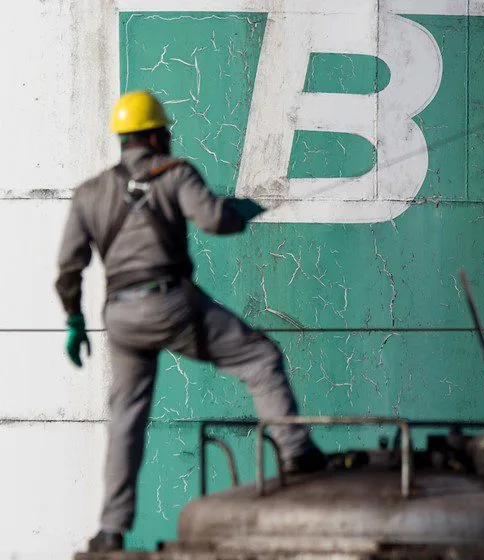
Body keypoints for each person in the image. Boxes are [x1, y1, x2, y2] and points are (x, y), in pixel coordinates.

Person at [55, 90, 326, 552]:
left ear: (124, 138)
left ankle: (109, 530)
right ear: (157, 135)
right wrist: (239, 211)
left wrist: (75, 320)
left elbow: (68, 268)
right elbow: (214, 221)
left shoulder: (89, 193)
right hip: (170, 303)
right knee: (258, 356)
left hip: (120, 316)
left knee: (125, 419)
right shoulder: (174, 173)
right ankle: (296, 451)